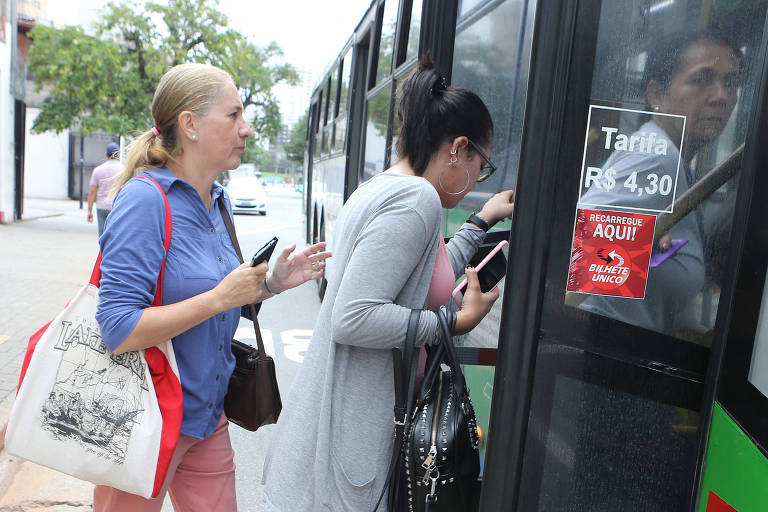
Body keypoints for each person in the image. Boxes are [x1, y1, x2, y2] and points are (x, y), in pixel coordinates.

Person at [262, 53, 515, 511]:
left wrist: (480, 221)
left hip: (339, 423)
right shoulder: (416, 201)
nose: (479, 176)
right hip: (352, 431)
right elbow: (353, 318)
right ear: (459, 149)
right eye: (483, 164)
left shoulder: (386, 187)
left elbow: (422, 275)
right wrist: (450, 324)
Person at [93, 62, 330, 511]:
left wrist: (272, 285)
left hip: (206, 417)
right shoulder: (145, 201)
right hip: (143, 418)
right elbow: (118, 328)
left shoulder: (217, 201)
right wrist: (220, 297)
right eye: (234, 115)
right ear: (190, 125)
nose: (247, 128)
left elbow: (223, 300)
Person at [579, 30, 742, 336]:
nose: (721, 96)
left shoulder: (675, 158)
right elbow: (581, 254)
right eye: (701, 79)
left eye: (731, 84)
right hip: (605, 352)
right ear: (656, 94)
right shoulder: (657, 156)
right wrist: (631, 245)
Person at [87, 142, 124, 236]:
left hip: (101, 207)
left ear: (106, 155)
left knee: (102, 236)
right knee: (115, 237)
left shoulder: (98, 170)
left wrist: (89, 210)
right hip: (117, 206)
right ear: (118, 154)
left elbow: (92, 191)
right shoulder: (124, 170)